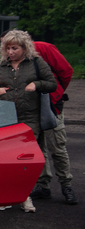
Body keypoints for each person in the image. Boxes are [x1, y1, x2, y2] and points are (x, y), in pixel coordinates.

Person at [0, 29, 57, 213]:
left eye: (15, 48)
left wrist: (37, 84)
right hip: (6, 119)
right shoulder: (2, 65)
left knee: (25, 161)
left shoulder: (36, 63)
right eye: (8, 48)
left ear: (24, 48)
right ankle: (9, 196)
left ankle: (24, 197)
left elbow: (52, 83)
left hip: (30, 119)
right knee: (7, 159)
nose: (10, 52)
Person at [29, 41, 77, 204]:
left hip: (50, 106)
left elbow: (66, 71)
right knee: (37, 148)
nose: (9, 50)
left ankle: (66, 185)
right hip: (30, 110)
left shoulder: (43, 48)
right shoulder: (11, 59)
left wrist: (57, 93)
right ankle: (43, 185)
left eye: (13, 45)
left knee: (57, 146)